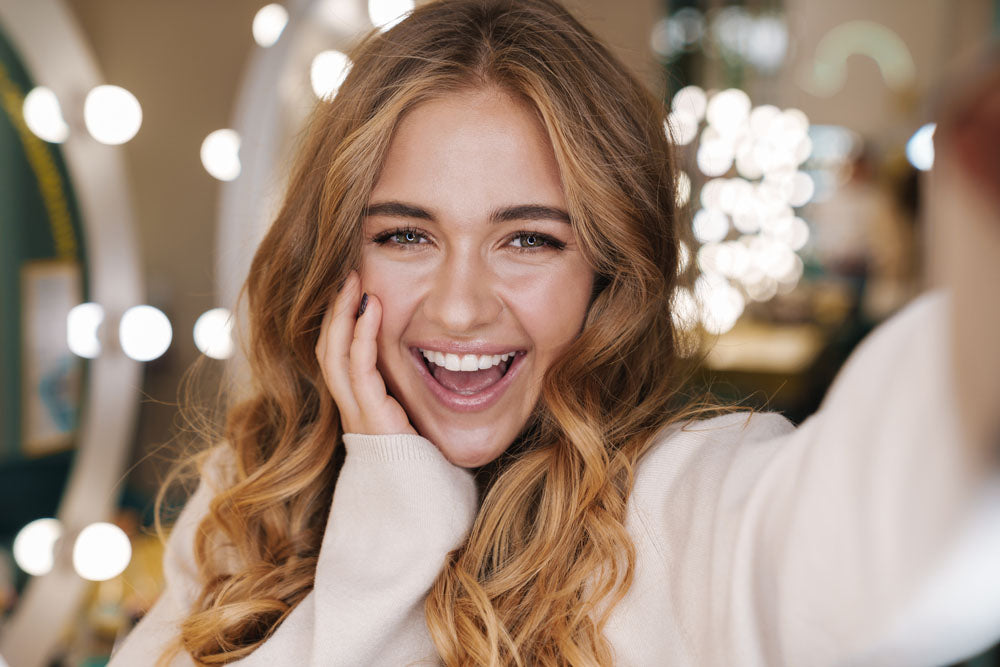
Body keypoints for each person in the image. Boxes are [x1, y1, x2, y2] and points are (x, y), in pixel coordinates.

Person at [109, 0, 1000, 665]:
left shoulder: (682, 512)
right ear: (340, 258)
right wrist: (388, 517)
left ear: (605, 269)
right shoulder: (252, 503)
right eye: (406, 235)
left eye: (529, 239)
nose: (461, 307)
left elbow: (892, 540)